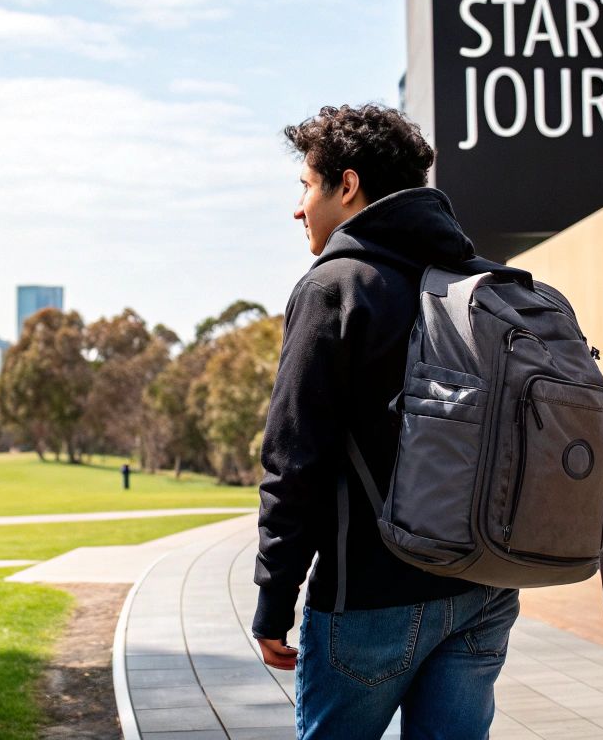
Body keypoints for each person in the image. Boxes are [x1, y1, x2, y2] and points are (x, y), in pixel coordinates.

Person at [253, 103, 521, 740]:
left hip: (369, 600)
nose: (299, 209)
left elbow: (296, 462)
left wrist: (273, 600)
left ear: (347, 186)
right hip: (484, 588)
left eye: (306, 187)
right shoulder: (477, 283)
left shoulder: (337, 287)